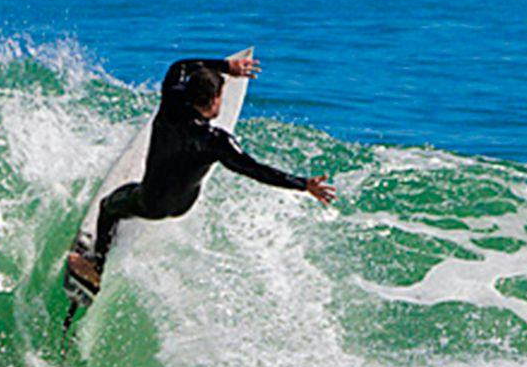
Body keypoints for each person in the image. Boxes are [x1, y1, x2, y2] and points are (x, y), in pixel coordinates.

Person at [67, 53, 334, 291]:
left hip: (150, 202)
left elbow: (180, 64)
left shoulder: (171, 101)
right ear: (216, 100)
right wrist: (303, 184)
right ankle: (101, 261)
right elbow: (256, 170)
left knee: (108, 207)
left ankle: (95, 264)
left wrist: (226, 66)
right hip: (184, 204)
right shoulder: (218, 141)